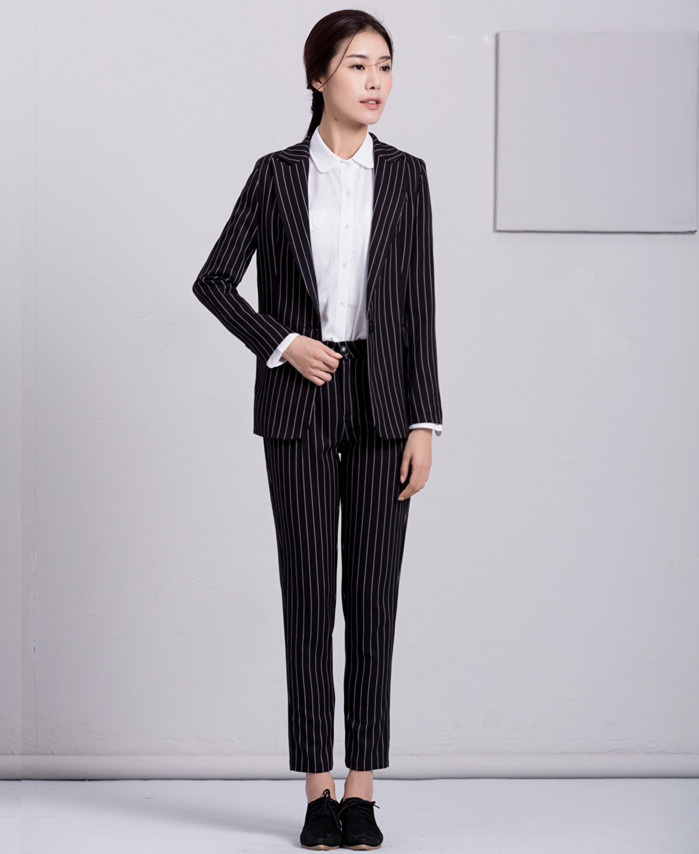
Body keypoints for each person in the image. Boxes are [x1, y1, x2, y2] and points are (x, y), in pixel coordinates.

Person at [192, 9, 443, 850]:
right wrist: (284, 343)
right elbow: (215, 280)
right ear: (318, 77)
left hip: (383, 403)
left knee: (372, 603)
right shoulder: (274, 175)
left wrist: (423, 420)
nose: (375, 81)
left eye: (385, 65)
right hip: (298, 404)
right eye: (357, 65)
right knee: (308, 602)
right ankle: (315, 792)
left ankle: (361, 790)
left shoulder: (406, 177)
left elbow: (417, 308)